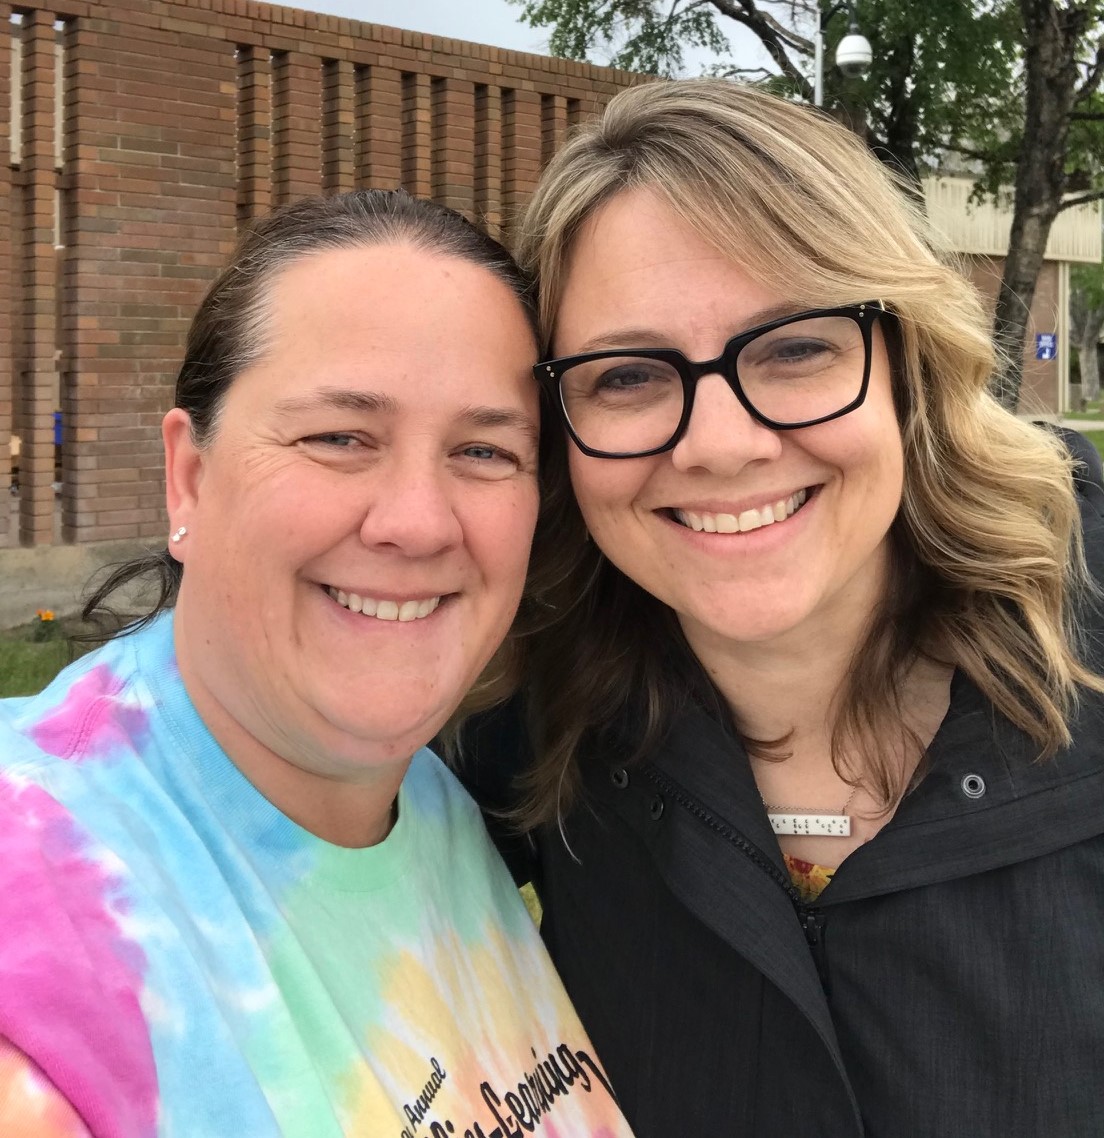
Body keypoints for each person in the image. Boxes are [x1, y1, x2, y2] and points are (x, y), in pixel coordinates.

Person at [456, 80, 1104, 1137]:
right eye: (627, 375)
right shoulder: (524, 723)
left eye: (795, 347)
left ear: (903, 363)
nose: (718, 442)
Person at [0, 191, 634, 1138]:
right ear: (191, 476)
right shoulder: (42, 902)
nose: (418, 521)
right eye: (339, 438)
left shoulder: (433, 806)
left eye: (484, 449)